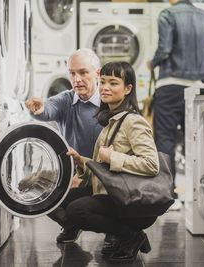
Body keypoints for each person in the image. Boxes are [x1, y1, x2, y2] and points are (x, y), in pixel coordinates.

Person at [65, 61, 159, 264]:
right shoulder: (111, 121)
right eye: (103, 82)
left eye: (113, 83)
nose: (105, 87)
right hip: (113, 192)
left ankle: (130, 235)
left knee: (77, 210)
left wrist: (112, 157)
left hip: (131, 199)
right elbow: (103, 171)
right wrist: (82, 162)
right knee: (64, 197)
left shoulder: (133, 121)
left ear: (128, 89)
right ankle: (123, 235)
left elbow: (152, 164)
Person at [147, 0, 204, 195]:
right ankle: (198, 194)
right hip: (197, 89)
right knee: (196, 140)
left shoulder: (167, 14)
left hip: (169, 87)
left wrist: (153, 62)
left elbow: (165, 49)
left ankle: (168, 194)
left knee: (166, 140)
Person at [25, 48, 104, 244]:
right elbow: (47, 109)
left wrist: (87, 174)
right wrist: (38, 109)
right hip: (73, 170)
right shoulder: (66, 99)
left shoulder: (109, 100)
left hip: (105, 172)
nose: (76, 79)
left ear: (97, 74)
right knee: (31, 186)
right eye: (72, 73)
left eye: (83, 72)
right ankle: (71, 224)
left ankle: (114, 231)